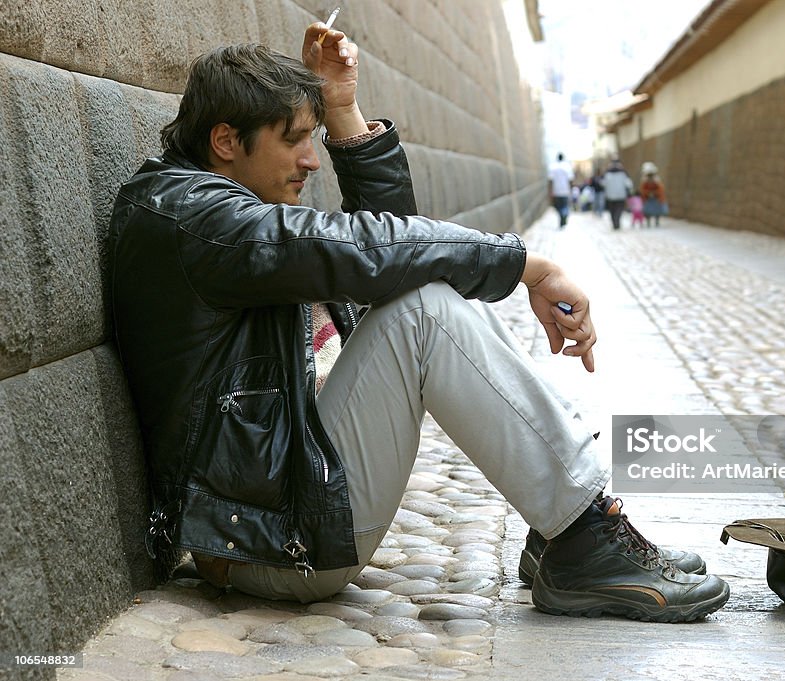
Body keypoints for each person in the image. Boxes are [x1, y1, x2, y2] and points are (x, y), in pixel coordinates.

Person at [108, 22, 729, 623]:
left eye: (314, 137)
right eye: (294, 138)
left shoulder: (212, 206)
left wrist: (344, 112)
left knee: (417, 298)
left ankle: (569, 527)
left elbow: (393, 248)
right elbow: (366, 249)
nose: (311, 160)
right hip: (269, 541)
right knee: (423, 314)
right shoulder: (192, 220)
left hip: (282, 497)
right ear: (225, 140)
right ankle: (584, 533)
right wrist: (526, 266)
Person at [601, 159, 633, 230]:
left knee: (612, 210)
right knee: (619, 209)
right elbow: (628, 184)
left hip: (610, 195)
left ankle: (615, 222)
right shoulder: (623, 174)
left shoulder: (607, 174)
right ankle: (616, 222)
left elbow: (603, 183)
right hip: (620, 195)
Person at [548, 152, 574, 228]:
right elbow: (570, 180)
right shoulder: (567, 167)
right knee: (565, 206)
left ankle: (562, 218)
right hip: (565, 191)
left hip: (556, 191)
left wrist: (550, 191)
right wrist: (571, 189)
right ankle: (564, 214)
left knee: (558, 207)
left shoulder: (553, 167)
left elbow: (550, 181)